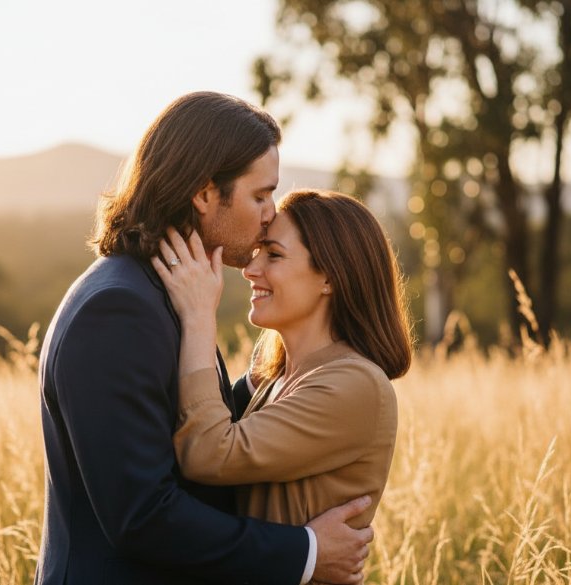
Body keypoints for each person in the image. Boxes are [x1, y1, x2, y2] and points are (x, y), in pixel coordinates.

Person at [35, 93, 374, 585]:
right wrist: (305, 551)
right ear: (204, 194)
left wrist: (283, 373)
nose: (269, 214)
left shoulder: (167, 291)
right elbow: (142, 516)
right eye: (260, 195)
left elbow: (182, 424)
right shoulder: (119, 310)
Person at [152, 189, 412, 542]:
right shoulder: (275, 377)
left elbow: (208, 454)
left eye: (274, 254)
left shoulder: (355, 384)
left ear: (329, 277)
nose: (250, 270)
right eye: (258, 251)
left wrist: (198, 317)